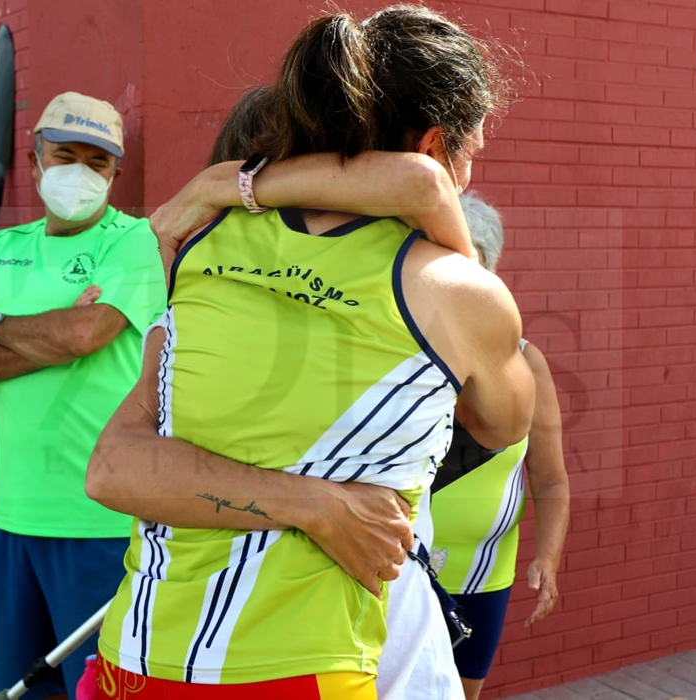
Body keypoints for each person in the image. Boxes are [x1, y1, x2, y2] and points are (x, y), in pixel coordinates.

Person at [85, 6, 533, 699]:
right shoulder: (461, 294)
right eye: (472, 151)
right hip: (303, 667)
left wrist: (219, 186)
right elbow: (504, 426)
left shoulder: (200, 247)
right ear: (439, 142)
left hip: (138, 658)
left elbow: (112, 467)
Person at [0, 92, 167, 700]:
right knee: (16, 688)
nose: (80, 174)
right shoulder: (5, 246)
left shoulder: (133, 241)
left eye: (97, 163)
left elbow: (87, 332)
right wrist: (49, 331)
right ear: (35, 161)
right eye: (65, 156)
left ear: (116, 173)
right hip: (8, 513)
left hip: (99, 515)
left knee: (99, 688)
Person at [429, 192, 570, 700]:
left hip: (482, 578)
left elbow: (551, 479)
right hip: (394, 572)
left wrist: (547, 558)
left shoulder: (526, 364)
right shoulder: (394, 357)